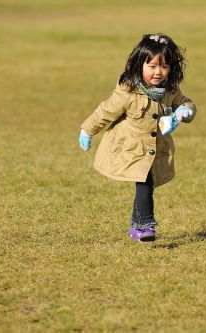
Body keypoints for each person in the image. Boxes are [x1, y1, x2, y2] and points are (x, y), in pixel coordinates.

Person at [78, 33, 197, 242]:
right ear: (139, 64)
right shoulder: (128, 91)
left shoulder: (170, 89)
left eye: (164, 66)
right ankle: (144, 226)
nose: (158, 72)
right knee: (144, 183)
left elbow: (186, 103)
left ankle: (136, 227)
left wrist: (183, 112)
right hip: (130, 148)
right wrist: (87, 130)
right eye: (152, 66)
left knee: (147, 184)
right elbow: (105, 111)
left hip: (155, 148)